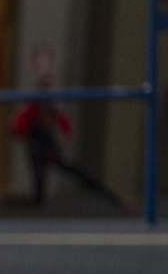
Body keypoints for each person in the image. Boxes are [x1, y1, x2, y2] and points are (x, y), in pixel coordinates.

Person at [10, 77, 130, 211]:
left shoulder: (53, 112)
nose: (53, 96)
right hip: (38, 153)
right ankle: (22, 207)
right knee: (39, 193)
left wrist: (61, 140)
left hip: (52, 152)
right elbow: (17, 130)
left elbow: (65, 128)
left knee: (81, 175)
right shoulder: (31, 111)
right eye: (50, 92)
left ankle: (115, 199)